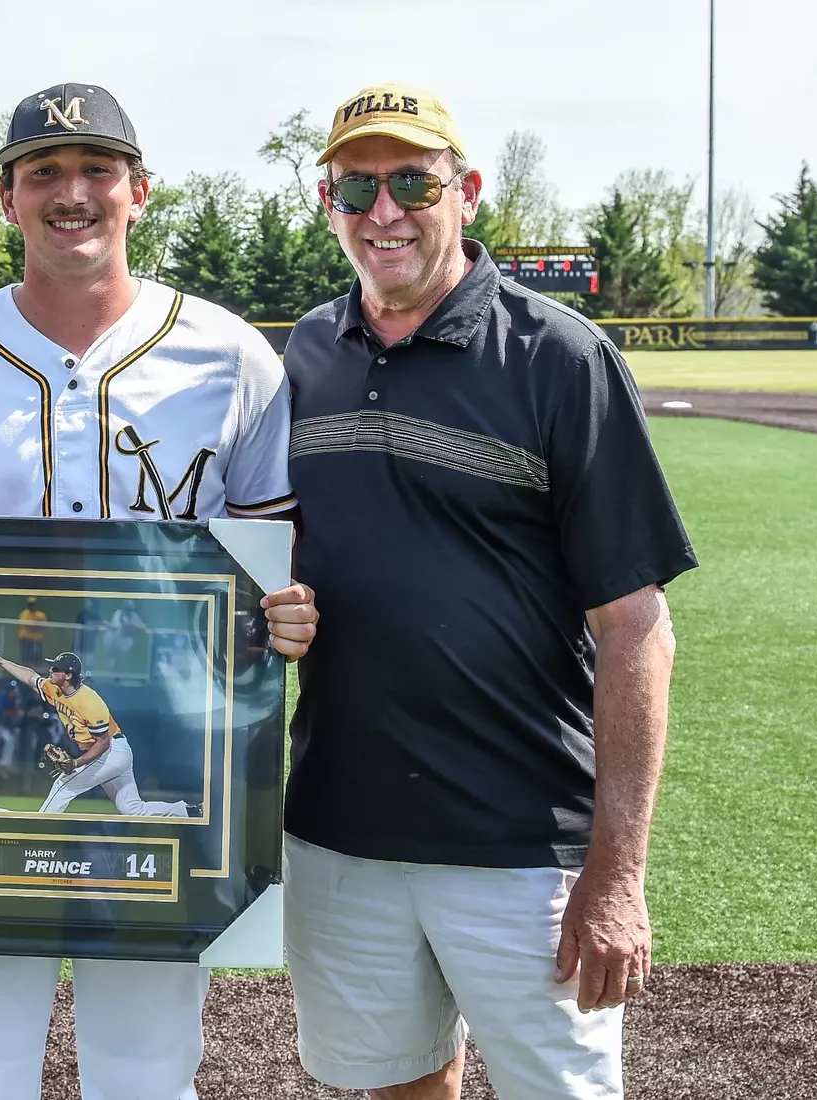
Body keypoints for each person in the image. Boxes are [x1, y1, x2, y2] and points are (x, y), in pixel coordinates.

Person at [0, 81, 318, 1100]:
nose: (70, 191)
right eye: (41, 172)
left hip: (184, 748)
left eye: (97, 168)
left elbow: (272, 559)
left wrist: (288, 609)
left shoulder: (231, 358)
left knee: (147, 1071)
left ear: (141, 190)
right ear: (6, 199)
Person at [279, 83, 697, 1100]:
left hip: (523, 842)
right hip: (342, 824)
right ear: (330, 200)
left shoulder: (558, 356)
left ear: (465, 191)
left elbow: (638, 627)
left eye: (413, 180)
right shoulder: (305, 353)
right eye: (357, 185)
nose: (385, 210)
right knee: (399, 1082)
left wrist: (618, 872)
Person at [0, 649, 186, 816]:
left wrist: (76, 763)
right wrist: (2, 662)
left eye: (56, 669)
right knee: (133, 809)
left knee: (64, 785)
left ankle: (38, 829)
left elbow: (103, 742)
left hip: (111, 751)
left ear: (68, 675)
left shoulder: (90, 701)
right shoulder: (56, 690)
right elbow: (30, 677)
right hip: (110, 751)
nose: (51, 670)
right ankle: (185, 811)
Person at [17, 595, 48, 667]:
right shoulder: (24, 614)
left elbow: (45, 626)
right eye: (30, 605)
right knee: (25, 657)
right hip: (26, 638)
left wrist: (35, 627)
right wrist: (37, 626)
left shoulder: (41, 615)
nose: (32, 606)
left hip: (37, 639)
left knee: (37, 656)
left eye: (33, 604)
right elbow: (29, 627)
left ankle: (37, 670)